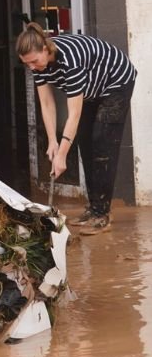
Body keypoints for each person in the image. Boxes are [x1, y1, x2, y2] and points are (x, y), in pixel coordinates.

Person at [16, 22, 137, 236]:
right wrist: (53, 141)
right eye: (27, 64)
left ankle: (102, 214)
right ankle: (93, 209)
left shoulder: (69, 61)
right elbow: (46, 104)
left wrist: (62, 155)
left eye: (34, 61)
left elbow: (73, 114)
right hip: (92, 88)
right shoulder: (38, 66)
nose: (32, 67)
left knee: (102, 142)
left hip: (116, 81)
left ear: (45, 49)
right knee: (85, 141)